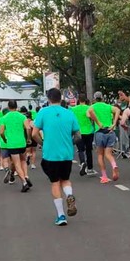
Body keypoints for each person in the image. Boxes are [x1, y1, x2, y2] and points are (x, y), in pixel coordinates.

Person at [32, 88, 80, 226]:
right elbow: (78, 136)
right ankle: (69, 195)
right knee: (65, 179)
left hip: (50, 154)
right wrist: (69, 144)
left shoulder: (43, 112)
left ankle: (61, 215)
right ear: (61, 98)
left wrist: (43, 143)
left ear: (48, 99)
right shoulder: (69, 113)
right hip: (66, 153)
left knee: (55, 182)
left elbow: (34, 134)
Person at [88, 91, 121, 183]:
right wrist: (114, 123)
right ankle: (114, 165)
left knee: (100, 154)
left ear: (94, 98)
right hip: (110, 131)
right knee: (108, 153)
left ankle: (104, 176)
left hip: (100, 132)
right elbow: (117, 110)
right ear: (102, 98)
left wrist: (98, 122)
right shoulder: (108, 106)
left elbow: (89, 113)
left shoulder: (93, 107)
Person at [0, 100, 32, 192]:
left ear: (8, 107)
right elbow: (28, 128)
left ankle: (24, 182)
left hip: (11, 144)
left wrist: (5, 139)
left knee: (16, 164)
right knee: (23, 160)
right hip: (22, 143)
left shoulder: (5, 118)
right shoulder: (22, 116)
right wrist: (28, 138)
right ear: (17, 106)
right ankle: (26, 175)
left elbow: (1, 132)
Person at [70, 94, 97, 177]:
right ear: (85, 100)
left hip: (78, 132)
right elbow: (93, 118)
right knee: (89, 150)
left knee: (80, 149)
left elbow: (71, 120)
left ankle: (82, 162)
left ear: (78, 100)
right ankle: (90, 168)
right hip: (89, 131)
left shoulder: (73, 109)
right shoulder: (89, 108)